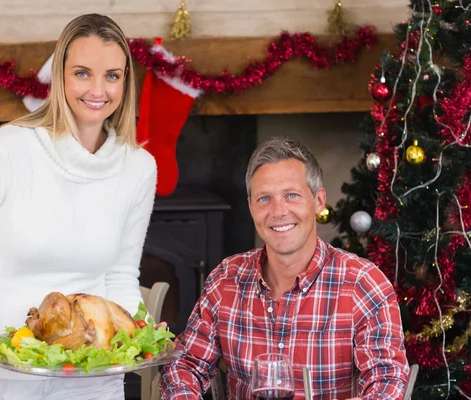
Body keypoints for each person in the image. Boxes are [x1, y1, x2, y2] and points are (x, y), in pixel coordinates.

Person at [0, 14, 157, 400]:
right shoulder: (8, 149)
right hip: (1, 374)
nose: (98, 89)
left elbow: (120, 275)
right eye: (82, 73)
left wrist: (143, 329)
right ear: (59, 77)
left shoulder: (138, 168)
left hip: (92, 378)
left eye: (113, 75)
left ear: (126, 81)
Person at [159, 137, 410, 400]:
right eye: (264, 198)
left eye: (292, 195)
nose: (278, 211)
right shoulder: (226, 278)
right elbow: (185, 365)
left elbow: (387, 381)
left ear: (318, 200)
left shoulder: (362, 282)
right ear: (251, 207)